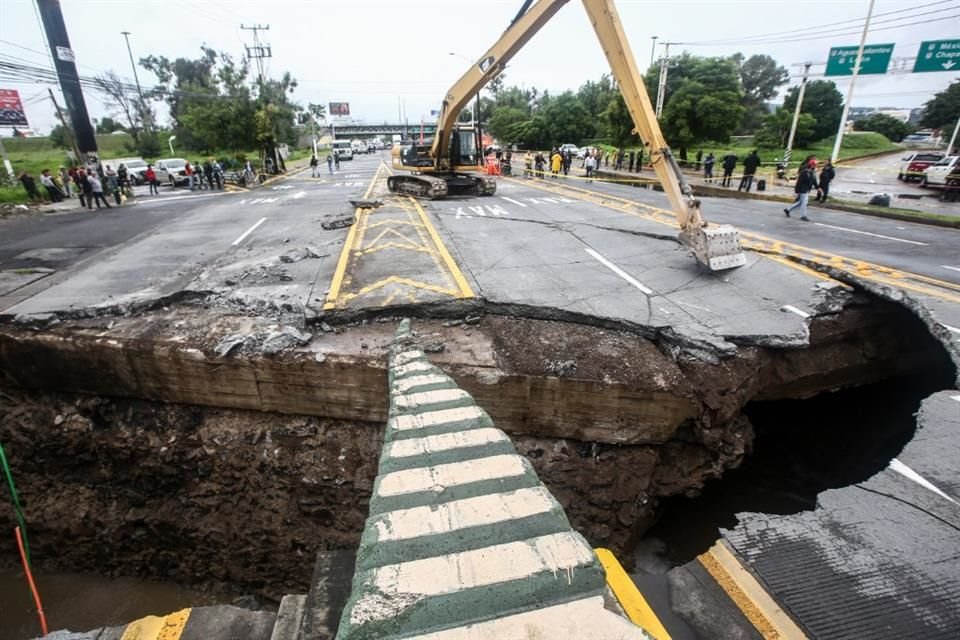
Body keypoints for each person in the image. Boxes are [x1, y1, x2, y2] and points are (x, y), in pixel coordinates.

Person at [784, 156, 819, 221]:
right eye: (814, 166)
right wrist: (796, 190)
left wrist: (818, 188)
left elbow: (814, 181)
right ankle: (803, 216)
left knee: (800, 202)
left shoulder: (812, 173)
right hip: (802, 190)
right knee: (804, 203)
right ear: (811, 165)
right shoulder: (804, 172)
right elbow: (799, 182)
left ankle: (788, 209)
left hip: (806, 190)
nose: (815, 167)